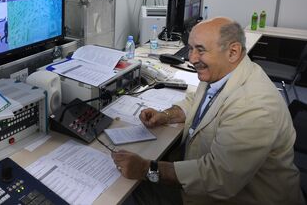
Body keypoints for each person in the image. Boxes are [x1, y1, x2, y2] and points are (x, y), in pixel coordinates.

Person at [111, 17, 304, 205]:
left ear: (233, 52)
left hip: (242, 197)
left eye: (200, 50)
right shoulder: (223, 73)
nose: (191, 58)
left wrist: (146, 169)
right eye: (191, 48)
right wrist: (166, 115)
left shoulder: (253, 105)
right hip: (214, 185)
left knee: (132, 190)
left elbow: (218, 178)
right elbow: (197, 100)